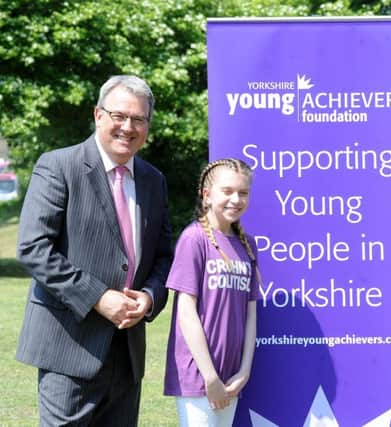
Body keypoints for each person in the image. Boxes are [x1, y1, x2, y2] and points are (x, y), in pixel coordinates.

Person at [16, 75, 173, 426]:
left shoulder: (153, 180)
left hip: (127, 354)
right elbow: (33, 247)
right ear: (98, 115)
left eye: (138, 119)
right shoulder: (59, 166)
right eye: (119, 115)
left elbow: (164, 256)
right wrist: (99, 297)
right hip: (69, 346)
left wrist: (149, 296)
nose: (127, 127)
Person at [164, 158, 260, 426]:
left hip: (231, 376)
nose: (235, 199)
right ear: (207, 196)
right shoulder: (194, 239)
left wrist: (244, 371)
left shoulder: (247, 245)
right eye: (227, 191)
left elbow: (251, 315)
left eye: (243, 193)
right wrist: (210, 377)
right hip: (199, 376)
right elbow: (186, 312)